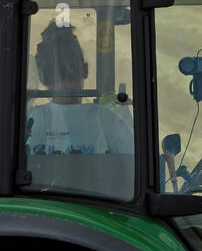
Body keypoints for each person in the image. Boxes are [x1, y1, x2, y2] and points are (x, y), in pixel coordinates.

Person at [26, 22, 134, 155]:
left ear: (43, 77)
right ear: (85, 70)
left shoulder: (28, 119)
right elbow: (133, 162)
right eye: (63, 70)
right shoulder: (106, 120)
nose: (65, 78)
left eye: (67, 69)